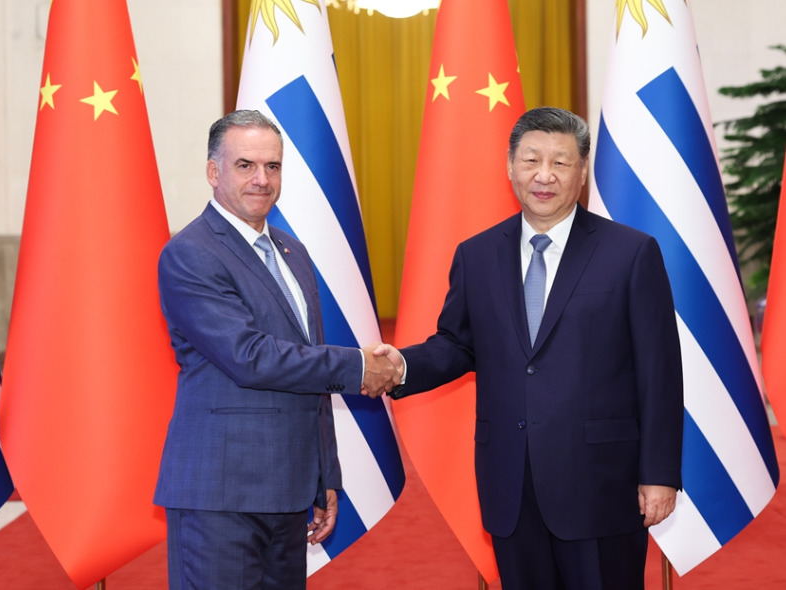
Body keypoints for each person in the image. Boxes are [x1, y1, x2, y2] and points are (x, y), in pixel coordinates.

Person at [383, 107, 683, 589]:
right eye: (531, 160)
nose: (544, 175)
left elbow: (659, 373)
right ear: (510, 166)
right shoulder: (477, 254)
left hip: (601, 485)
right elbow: (457, 345)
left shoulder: (630, 253)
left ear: (582, 172)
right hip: (511, 483)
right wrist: (399, 366)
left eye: (560, 162)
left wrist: (660, 473)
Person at [154, 109, 399, 590]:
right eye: (245, 165)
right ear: (213, 172)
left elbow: (309, 372)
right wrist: (359, 367)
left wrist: (324, 474)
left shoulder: (292, 252)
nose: (261, 179)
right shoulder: (190, 253)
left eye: (273, 166)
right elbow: (250, 356)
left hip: (288, 492)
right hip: (220, 495)